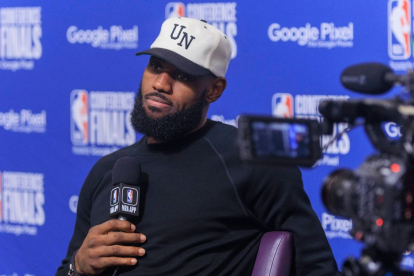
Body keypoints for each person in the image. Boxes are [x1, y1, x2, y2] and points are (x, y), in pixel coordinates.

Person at [57, 17, 341, 276]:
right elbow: (68, 269)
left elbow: (317, 268)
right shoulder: (108, 169)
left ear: (215, 90)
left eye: (182, 75)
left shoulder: (249, 159)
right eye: (155, 66)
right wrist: (78, 266)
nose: (160, 83)